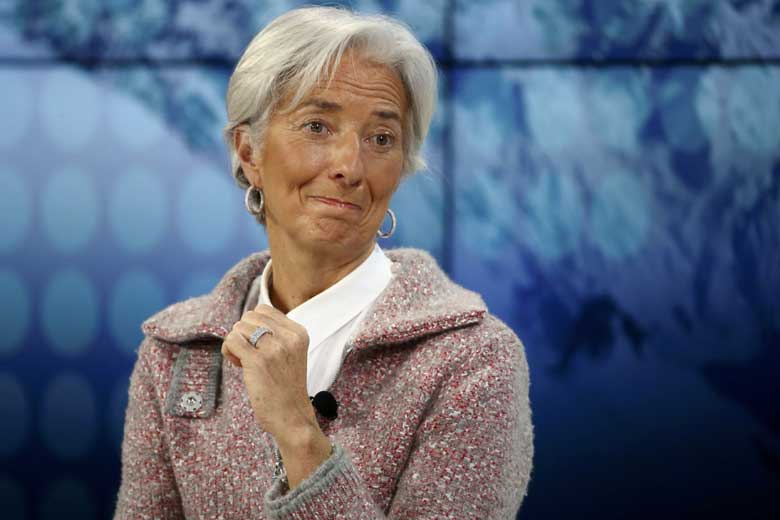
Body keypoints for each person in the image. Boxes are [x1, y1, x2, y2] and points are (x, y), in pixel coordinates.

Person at [114, 6, 533, 519]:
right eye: (317, 126)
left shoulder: (474, 361)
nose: (350, 167)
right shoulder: (175, 354)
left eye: (381, 139)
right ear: (249, 152)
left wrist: (298, 432)